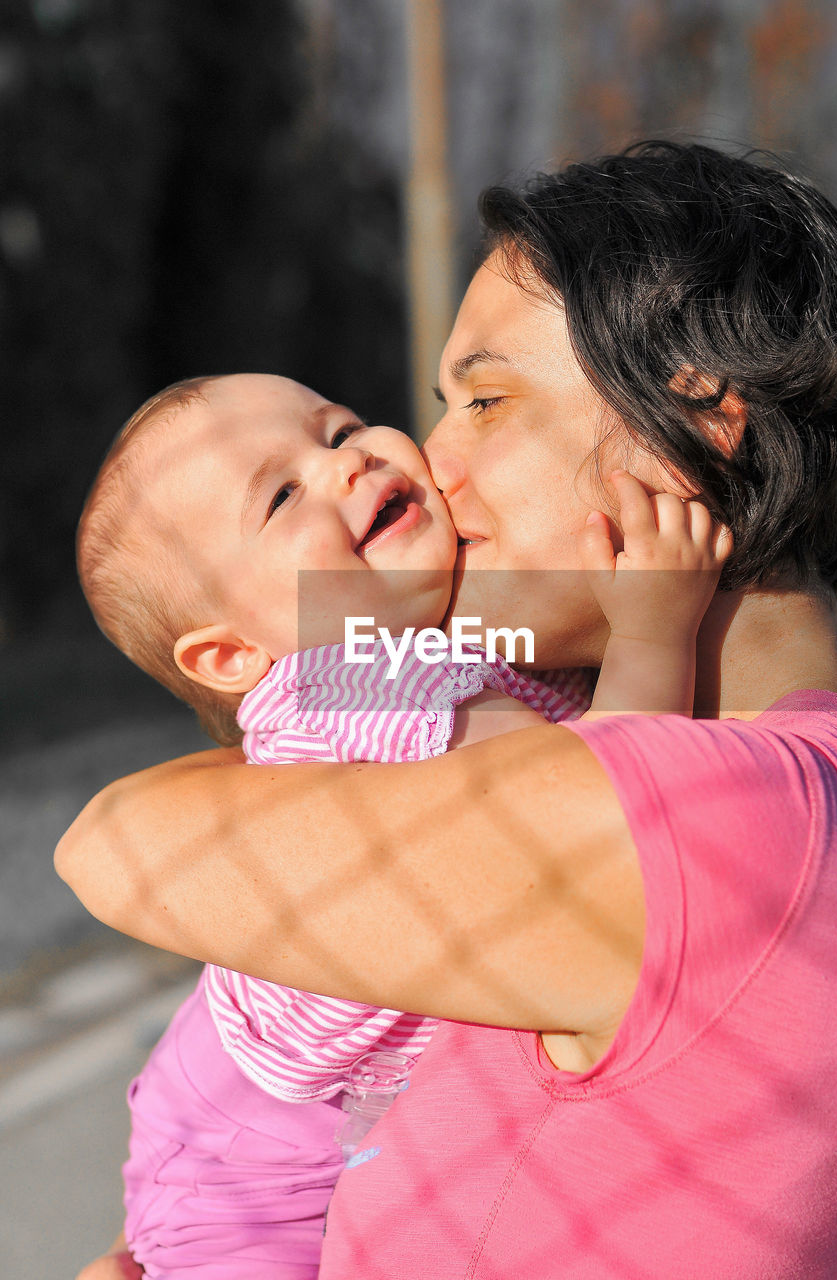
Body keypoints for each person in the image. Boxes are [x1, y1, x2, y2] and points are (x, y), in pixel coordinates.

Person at [59, 140, 837, 1279]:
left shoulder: (725, 824)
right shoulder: (736, 771)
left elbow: (107, 842)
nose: (429, 458)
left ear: (697, 419)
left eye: (485, 398)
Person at [74, 370, 724, 1279]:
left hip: (285, 1103)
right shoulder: (364, 678)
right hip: (254, 1154)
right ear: (233, 654)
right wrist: (655, 631)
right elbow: (596, 804)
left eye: (337, 432)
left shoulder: (432, 648)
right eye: (283, 494)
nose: (346, 464)